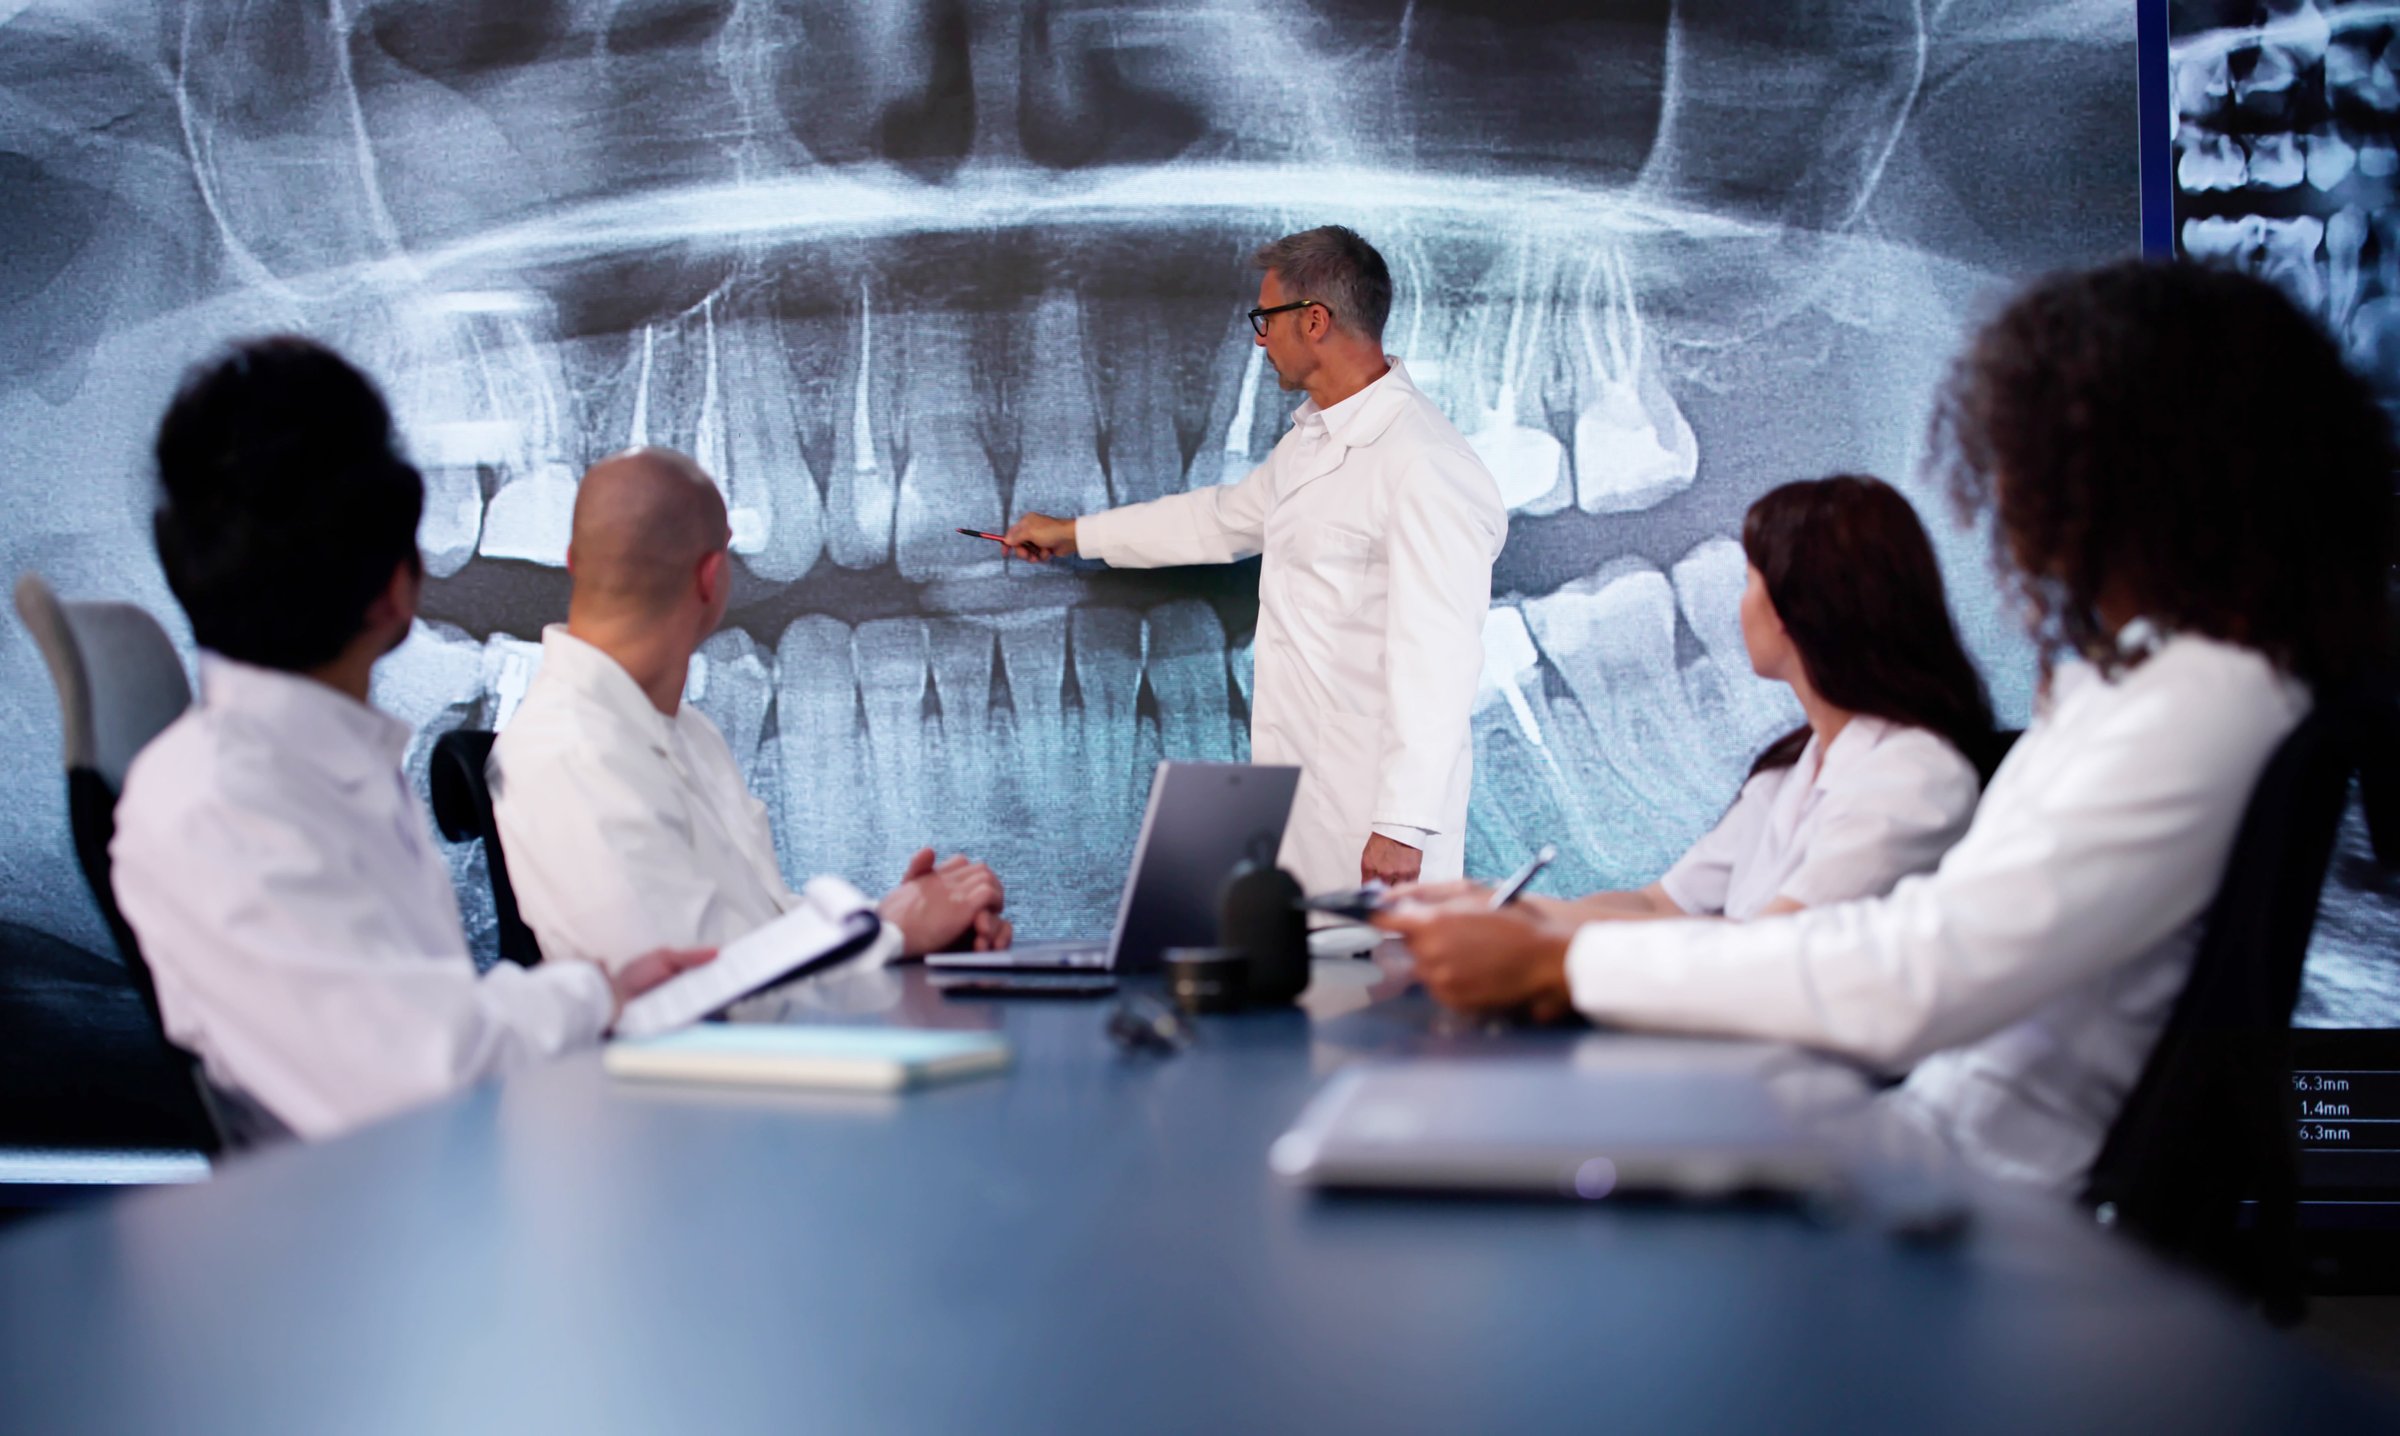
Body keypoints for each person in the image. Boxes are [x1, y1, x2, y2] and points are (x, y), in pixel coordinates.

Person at [1377, 259, 2395, 1193]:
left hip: (1973, 1193)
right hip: (1927, 1145)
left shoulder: (2200, 699)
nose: (2007, 503)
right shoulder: (2151, 687)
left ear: (2129, 472)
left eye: (2027, 460)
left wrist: (1562, 962)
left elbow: (1917, 973)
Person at [110, 338, 714, 1142]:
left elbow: (417, 1018)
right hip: (392, 1231)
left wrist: (600, 993)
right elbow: (416, 1077)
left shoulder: (300, 768)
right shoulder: (216, 802)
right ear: (399, 590)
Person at [1002, 226, 1507, 895]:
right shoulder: (1314, 442)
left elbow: (1440, 659)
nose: (1259, 337)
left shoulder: (1424, 464)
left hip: (1377, 825)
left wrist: (1404, 825)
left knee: (1379, 993)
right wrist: (1074, 534)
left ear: (1316, 320)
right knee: (1314, 986)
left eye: (1265, 319)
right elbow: (1218, 521)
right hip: (1306, 800)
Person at [489, 446, 1013, 971]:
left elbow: (763, 930)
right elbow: (688, 988)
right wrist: (891, 933)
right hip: (701, 1052)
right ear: (711, 577)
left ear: (573, 562)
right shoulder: (567, 752)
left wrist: (902, 927)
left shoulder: (686, 733)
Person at [1516, 474, 1991, 935]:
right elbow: (1658, 903)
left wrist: (1540, 953)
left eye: (1748, 581)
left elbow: (1768, 950)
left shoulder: (1914, 778)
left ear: (1791, 609)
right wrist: (1516, 916)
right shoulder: (1790, 774)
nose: (1737, 604)